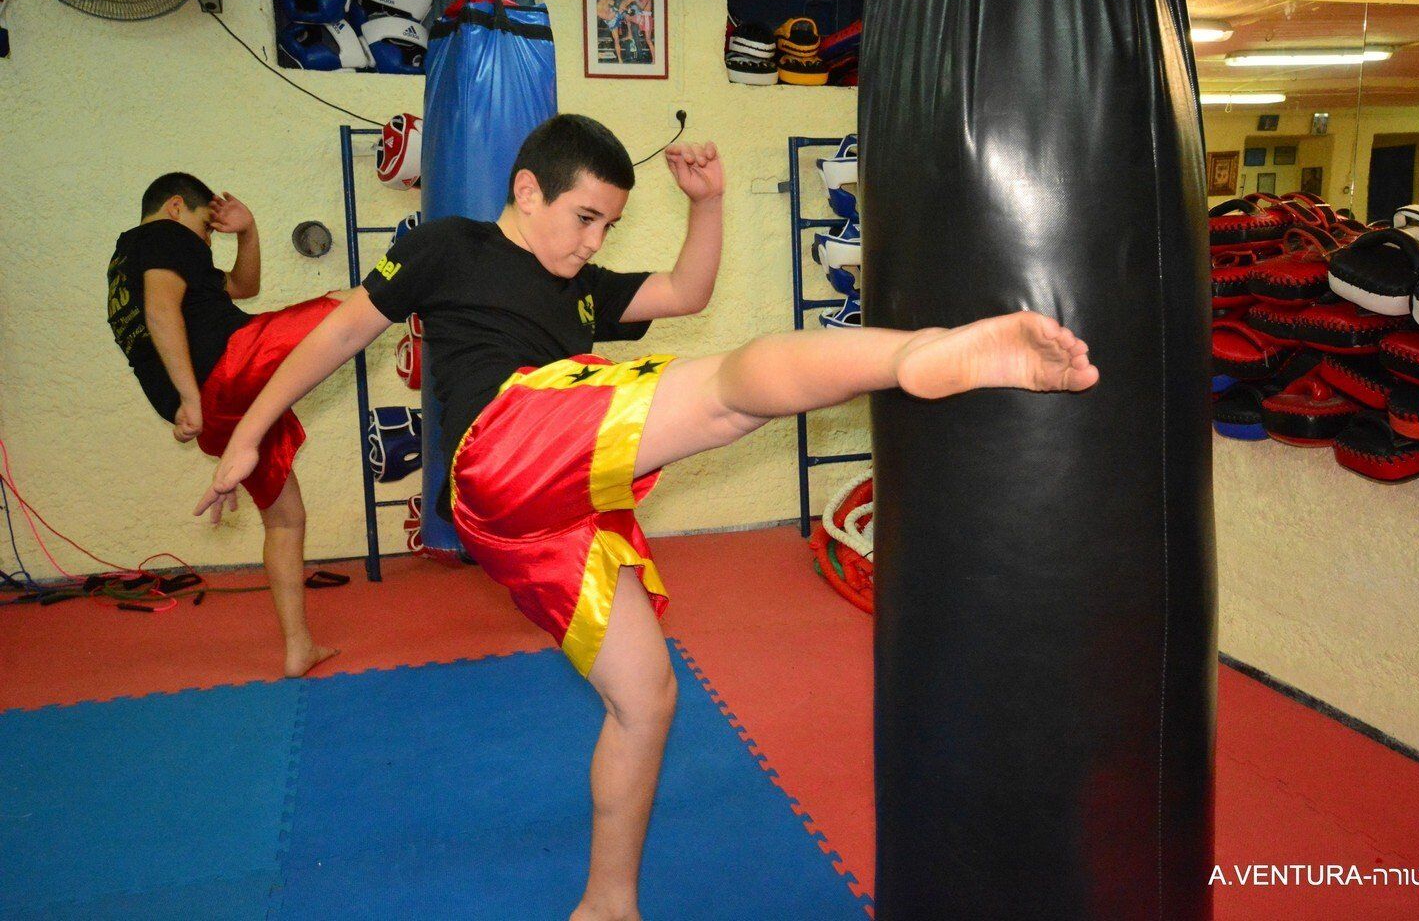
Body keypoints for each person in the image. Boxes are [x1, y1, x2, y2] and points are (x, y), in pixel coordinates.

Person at [192, 115, 1098, 920]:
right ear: (526, 191)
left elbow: (685, 292)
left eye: (609, 227)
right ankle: (917, 357)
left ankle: (607, 902)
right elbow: (339, 333)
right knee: (727, 395)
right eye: (584, 217)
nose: (593, 241)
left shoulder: (582, 289)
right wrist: (249, 434)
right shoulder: (449, 247)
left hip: (544, 521)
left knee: (645, 698)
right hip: (501, 445)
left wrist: (708, 204)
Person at [106, 172, 343, 678]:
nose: (207, 240)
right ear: (175, 207)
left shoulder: (127, 263)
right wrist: (191, 395)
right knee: (349, 305)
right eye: (205, 228)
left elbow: (243, 287)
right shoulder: (162, 235)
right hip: (229, 368)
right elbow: (161, 310)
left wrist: (248, 232)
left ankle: (298, 647)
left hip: (221, 417)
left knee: (286, 518)